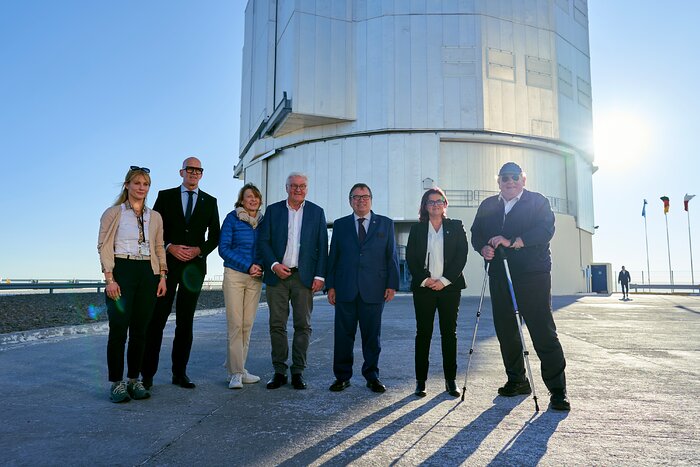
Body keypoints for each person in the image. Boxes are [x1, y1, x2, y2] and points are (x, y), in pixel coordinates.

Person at [470, 162, 570, 411]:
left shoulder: (537, 202)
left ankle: (558, 391)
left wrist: (513, 241)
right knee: (506, 330)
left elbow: (545, 230)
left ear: (523, 180)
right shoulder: (488, 206)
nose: (510, 181)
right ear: (499, 181)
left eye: (515, 177)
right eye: (505, 177)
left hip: (532, 275)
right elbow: (476, 233)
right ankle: (517, 380)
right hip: (499, 276)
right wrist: (483, 247)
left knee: (542, 330)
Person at [141, 157, 220, 390]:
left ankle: (180, 373)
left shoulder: (210, 201)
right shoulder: (165, 197)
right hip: (166, 267)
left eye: (198, 170)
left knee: (185, 323)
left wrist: (199, 250)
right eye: (190, 170)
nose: (194, 174)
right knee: (157, 321)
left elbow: (215, 236)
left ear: (201, 174)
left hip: (194, 269)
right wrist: (169, 247)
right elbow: (153, 229)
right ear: (181, 172)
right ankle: (147, 375)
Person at [98, 166, 167, 403]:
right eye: (137, 183)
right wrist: (110, 279)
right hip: (122, 269)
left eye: (145, 184)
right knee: (119, 328)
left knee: (140, 331)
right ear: (127, 185)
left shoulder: (155, 216)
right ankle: (116, 383)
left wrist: (162, 276)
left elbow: (159, 247)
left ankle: (134, 380)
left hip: (147, 272)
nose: (141, 188)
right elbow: (104, 246)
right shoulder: (113, 213)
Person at [257, 172, 328, 390]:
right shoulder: (273, 210)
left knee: (303, 325)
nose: (298, 189)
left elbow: (322, 246)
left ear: (307, 188)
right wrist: (274, 265)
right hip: (277, 276)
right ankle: (279, 371)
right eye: (293, 186)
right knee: (277, 325)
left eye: (302, 186)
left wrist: (319, 276)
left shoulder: (317, 212)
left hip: (303, 278)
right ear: (286, 187)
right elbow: (264, 241)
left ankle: (298, 371)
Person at [326, 183, 400, 393]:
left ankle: (372, 376)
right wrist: (330, 286)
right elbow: (334, 257)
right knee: (343, 337)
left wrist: (392, 285)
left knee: (371, 337)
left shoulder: (385, 224)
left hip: (374, 289)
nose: (360, 200)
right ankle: (342, 377)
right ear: (350, 201)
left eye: (364, 196)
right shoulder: (340, 225)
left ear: (371, 199)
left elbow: (391, 256)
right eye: (356, 197)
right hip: (345, 289)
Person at [406, 187, 468, 398]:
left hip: (449, 288)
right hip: (424, 289)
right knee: (423, 334)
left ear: (445, 204)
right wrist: (425, 280)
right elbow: (412, 258)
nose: (435, 204)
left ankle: (450, 381)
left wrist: (443, 281)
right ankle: (420, 382)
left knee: (449, 334)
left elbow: (462, 256)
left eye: (438, 201)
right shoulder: (417, 229)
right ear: (425, 206)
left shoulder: (456, 227)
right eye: (430, 202)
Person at [219, 183, 264, 389]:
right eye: (248, 197)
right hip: (235, 275)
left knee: (247, 325)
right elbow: (224, 249)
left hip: (255, 277)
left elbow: (268, 247)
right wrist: (248, 266)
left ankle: (240, 368)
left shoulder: (263, 221)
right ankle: (235, 373)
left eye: (256, 197)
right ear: (242, 200)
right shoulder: (232, 218)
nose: (252, 200)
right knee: (235, 324)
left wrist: (260, 266)